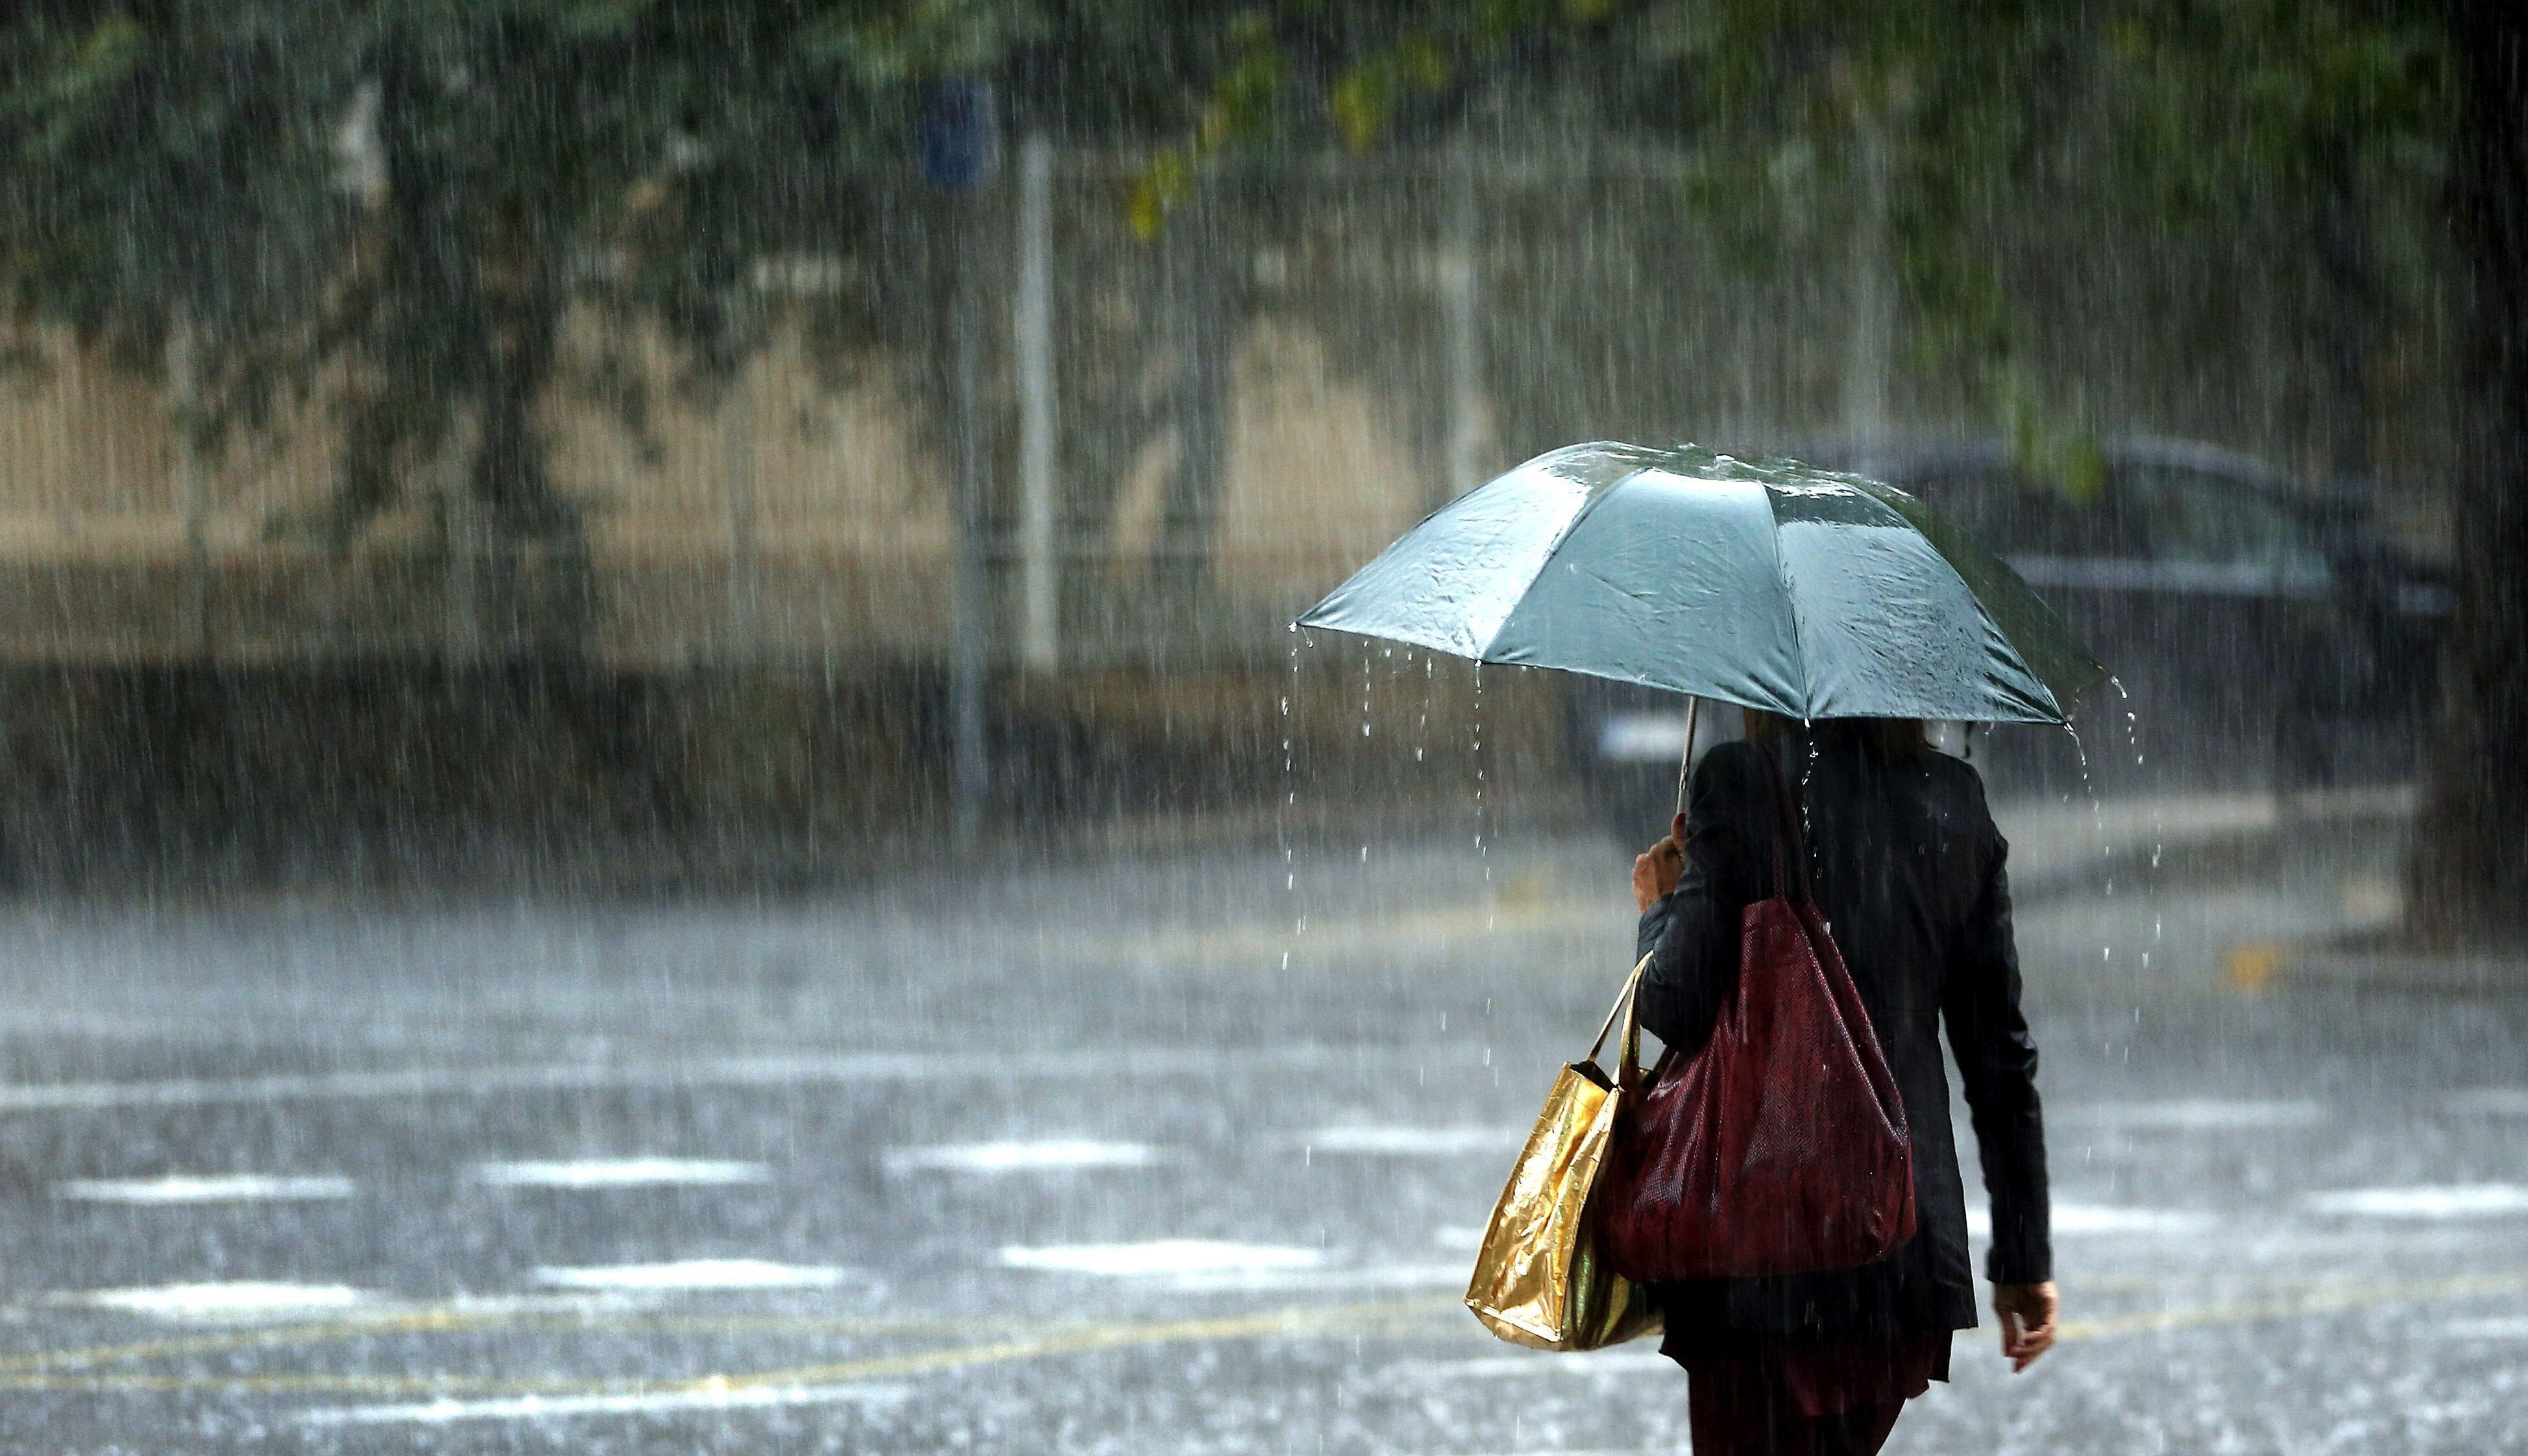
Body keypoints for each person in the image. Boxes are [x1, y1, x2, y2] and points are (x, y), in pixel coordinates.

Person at [1628, 710, 2056, 1456]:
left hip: (1758, 1245)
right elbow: (1998, 1056)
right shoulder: (1952, 798)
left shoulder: (1740, 782)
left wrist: (1661, 905)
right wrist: (2022, 1259)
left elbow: (1673, 1003)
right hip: (1894, 1245)